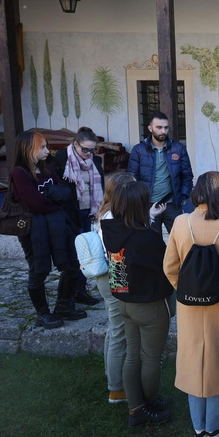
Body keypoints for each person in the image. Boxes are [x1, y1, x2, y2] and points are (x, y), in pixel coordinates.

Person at [164, 171, 219, 437]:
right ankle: (216, 424)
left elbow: (169, 267)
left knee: (191, 361)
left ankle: (199, 426)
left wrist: (188, 289)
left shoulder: (180, 221)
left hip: (188, 305)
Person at [101, 181, 174, 427]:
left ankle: (136, 407)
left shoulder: (111, 227)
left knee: (133, 355)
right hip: (149, 303)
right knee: (151, 357)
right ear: (139, 206)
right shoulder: (145, 237)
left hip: (124, 301)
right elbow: (166, 264)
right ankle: (146, 404)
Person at [10, 131, 86, 329]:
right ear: (29, 149)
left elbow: (66, 192)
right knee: (38, 271)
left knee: (71, 265)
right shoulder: (19, 173)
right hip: (33, 229)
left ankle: (63, 307)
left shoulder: (46, 169)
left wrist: (48, 196)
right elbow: (34, 203)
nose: (47, 150)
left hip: (58, 225)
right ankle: (42, 314)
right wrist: (54, 200)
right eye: (42, 147)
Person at [94, 172, 135, 405]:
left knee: (114, 328)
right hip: (115, 272)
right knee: (119, 331)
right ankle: (116, 388)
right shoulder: (112, 216)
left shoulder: (106, 212)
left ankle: (112, 375)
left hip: (109, 272)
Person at [52, 126, 104, 306]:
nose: (89, 153)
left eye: (92, 149)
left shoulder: (95, 161)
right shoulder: (61, 159)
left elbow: (99, 187)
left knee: (85, 253)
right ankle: (69, 294)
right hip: (68, 213)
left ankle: (80, 291)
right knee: (72, 254)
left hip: (88, 212)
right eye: (85, 149)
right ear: (75, 144)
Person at [128, 111, 194, 233]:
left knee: (180, 240)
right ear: (150, 128)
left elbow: (187, 175)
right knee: (151, 243)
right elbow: (132, 178)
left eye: (166, 127)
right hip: (148, 205)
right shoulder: (138, 150)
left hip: (172, 204)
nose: (163, 131)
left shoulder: (178, 148)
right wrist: (139, 202)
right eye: (159, 127)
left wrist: (183, 197)